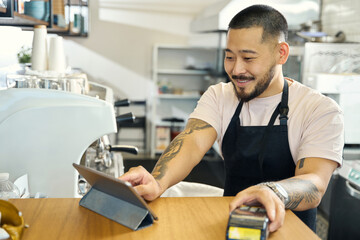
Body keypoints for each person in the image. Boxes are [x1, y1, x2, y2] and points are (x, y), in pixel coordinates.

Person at [119, 4, 344, 233]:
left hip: (290, 232)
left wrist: (273, 191)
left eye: (248, 58)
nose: (236, 69)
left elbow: (314, 182)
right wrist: (157, 182)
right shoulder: (220, 95)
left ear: (281, 53)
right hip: (232, 227)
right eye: (229, 57)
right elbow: (192, 143)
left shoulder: (318, 109)